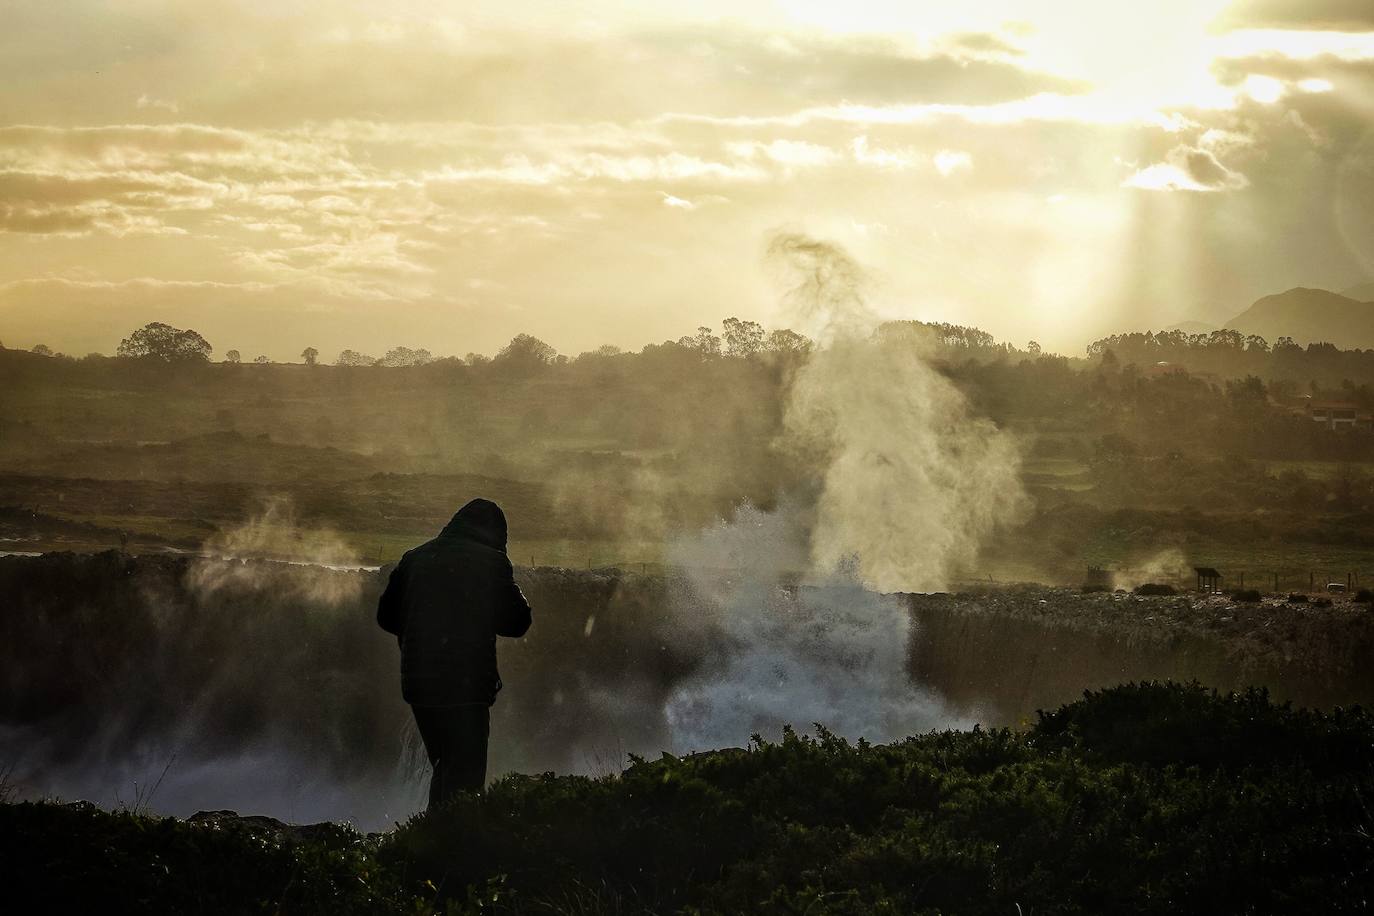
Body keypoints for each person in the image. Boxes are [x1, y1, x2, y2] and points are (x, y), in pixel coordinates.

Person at [377, 498, 532, 810]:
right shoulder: (491, 562)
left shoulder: (415, 558)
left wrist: (416, 635)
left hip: (419, 684)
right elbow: (517, 622)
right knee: (465, 775)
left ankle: (431, 840)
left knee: (446, 767)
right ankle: (447, 845)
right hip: (466, 683)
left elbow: (386, 616)